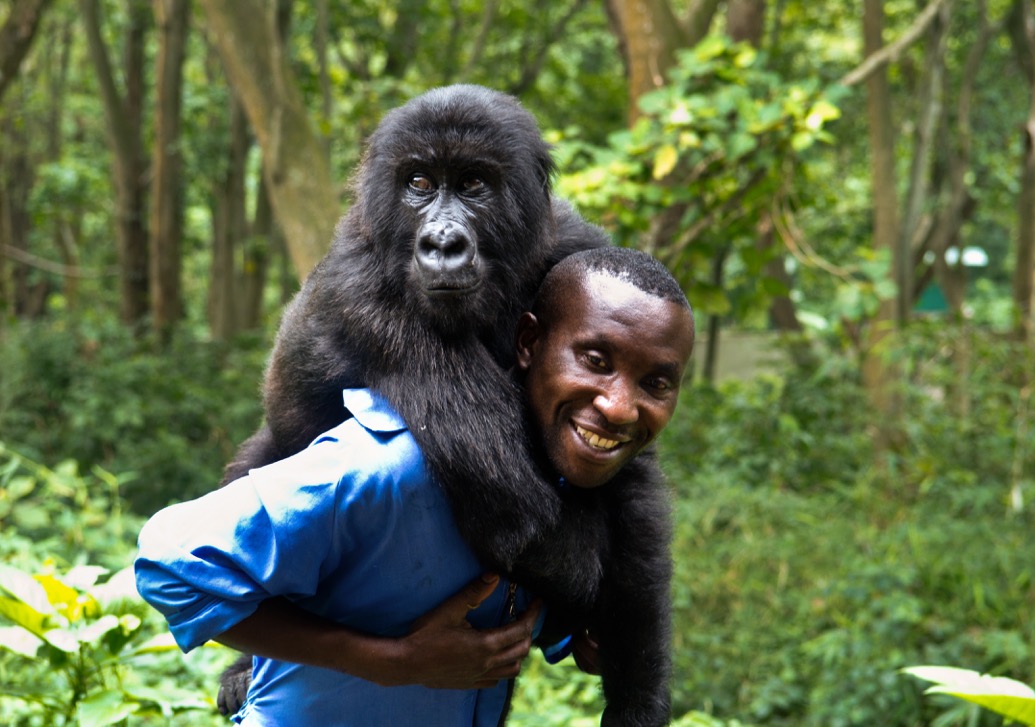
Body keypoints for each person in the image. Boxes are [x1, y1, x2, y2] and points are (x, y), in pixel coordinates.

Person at [134, 247, 695, 726]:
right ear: (528, 343)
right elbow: (171, 563)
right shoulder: (388, 467)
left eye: (656, 383)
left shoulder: (561, 487)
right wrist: (391, 660)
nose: (620, 407)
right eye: (595, 360)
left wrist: (580, 631)